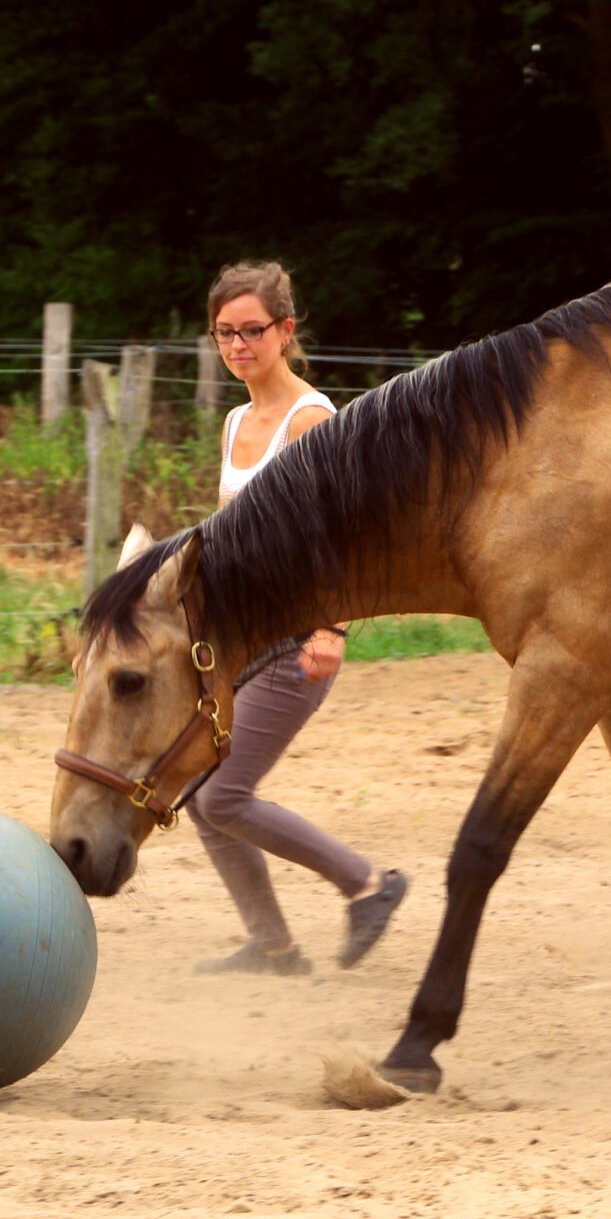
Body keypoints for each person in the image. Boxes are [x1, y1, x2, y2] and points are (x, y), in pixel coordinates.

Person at [187, 261, 408, 976]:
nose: (238, 345)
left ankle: (369, 884)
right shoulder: (233, 423)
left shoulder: (310, 419)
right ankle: (273, 945)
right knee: (198, 791)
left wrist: (330, 629)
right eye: (225, 333)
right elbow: (229, 534)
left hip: (293, 644)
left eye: (252, 330)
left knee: (225, 793)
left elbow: (345, 539)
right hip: (240, 640)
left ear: (285, 331)